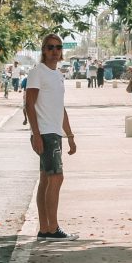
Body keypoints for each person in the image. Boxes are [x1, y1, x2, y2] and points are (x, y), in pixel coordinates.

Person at [25, 33, 78, 241]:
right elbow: (29, 104)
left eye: (58, 47)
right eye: (50, 47)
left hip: (55, 132)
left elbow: (60, 108)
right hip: (45, 133)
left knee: (47, 179)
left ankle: (45, 229)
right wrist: (36, 134)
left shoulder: (57, 75)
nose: (54, 51)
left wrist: (70, 135)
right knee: (56, 177)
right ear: (43, 50)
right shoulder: (37, 72)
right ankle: (52, 228)